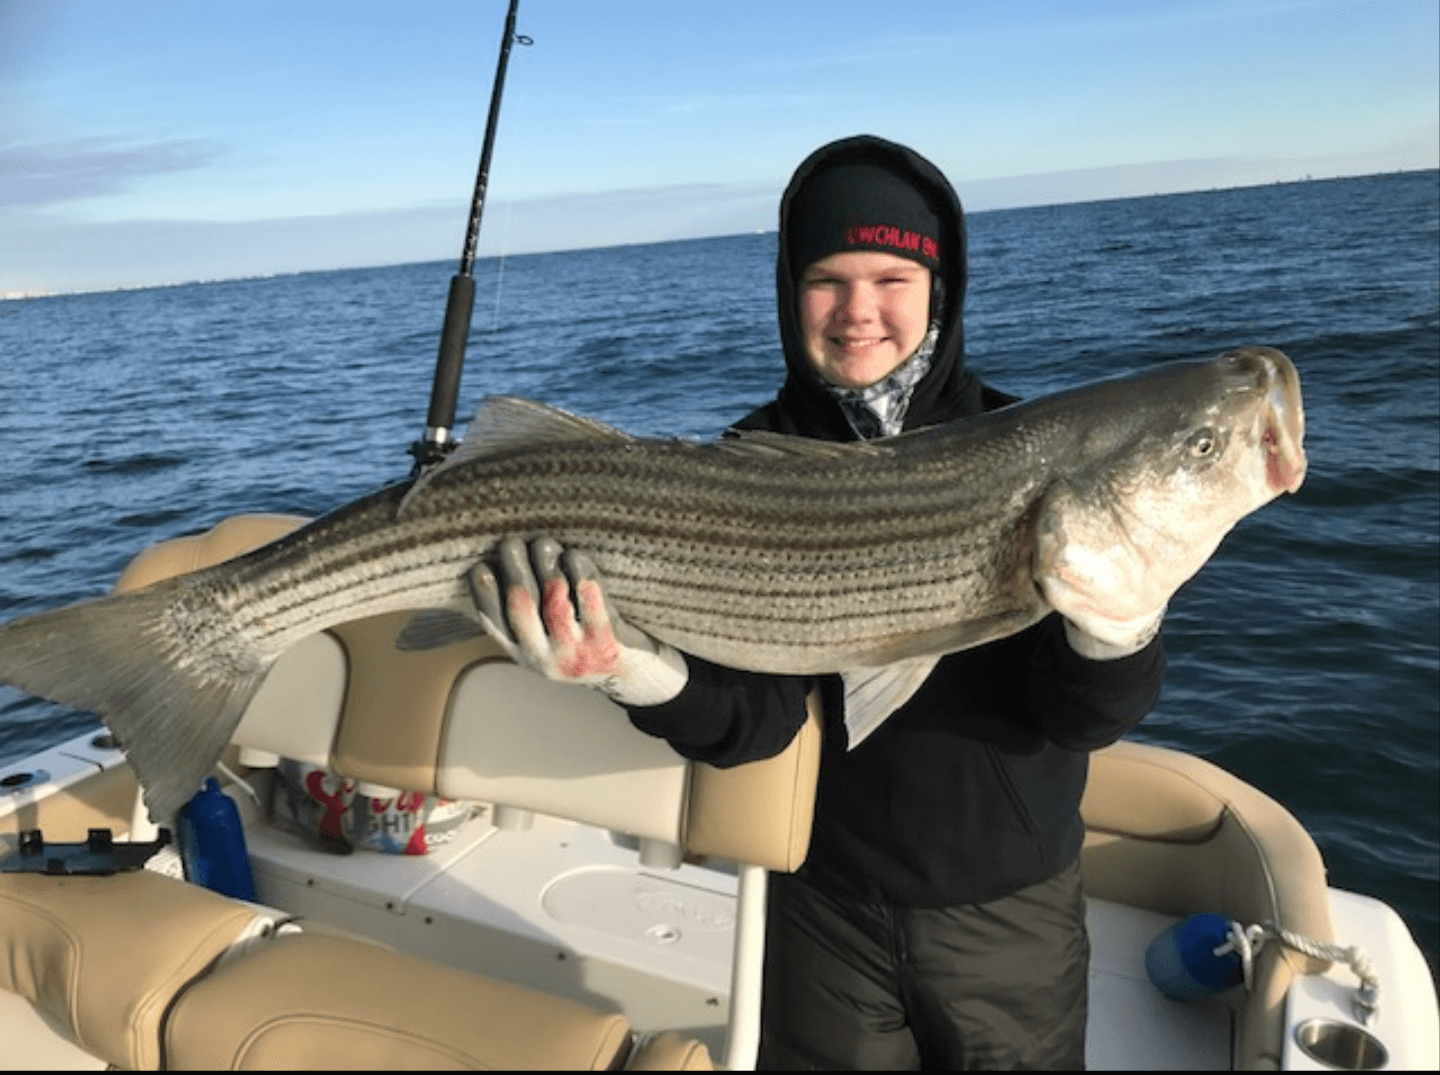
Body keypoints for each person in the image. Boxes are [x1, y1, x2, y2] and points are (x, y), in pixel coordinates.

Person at [470, 135, 1167, 1070]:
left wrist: (1119, 625)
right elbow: (750, 722)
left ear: (940, 287)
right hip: (818, 897)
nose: (858, 311)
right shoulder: (748, 456)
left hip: (1007, 904)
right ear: (788, 291)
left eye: (892, 275)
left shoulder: (1036, 452)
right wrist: (628, 669)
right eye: (826, 278)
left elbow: (1083, 715)